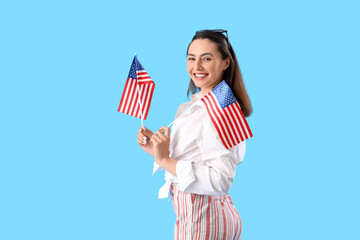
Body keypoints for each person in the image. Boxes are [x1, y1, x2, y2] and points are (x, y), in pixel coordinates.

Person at [136, 29, 252, 240]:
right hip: (200, 218)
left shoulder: (220, 111)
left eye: (206, 59)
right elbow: (194, 158)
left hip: (204, 221)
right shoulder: (193, 106)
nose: (196, 66)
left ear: (226, 62)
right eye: (191, 58)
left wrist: (164, 159)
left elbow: (220, 181)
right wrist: (157, 151)